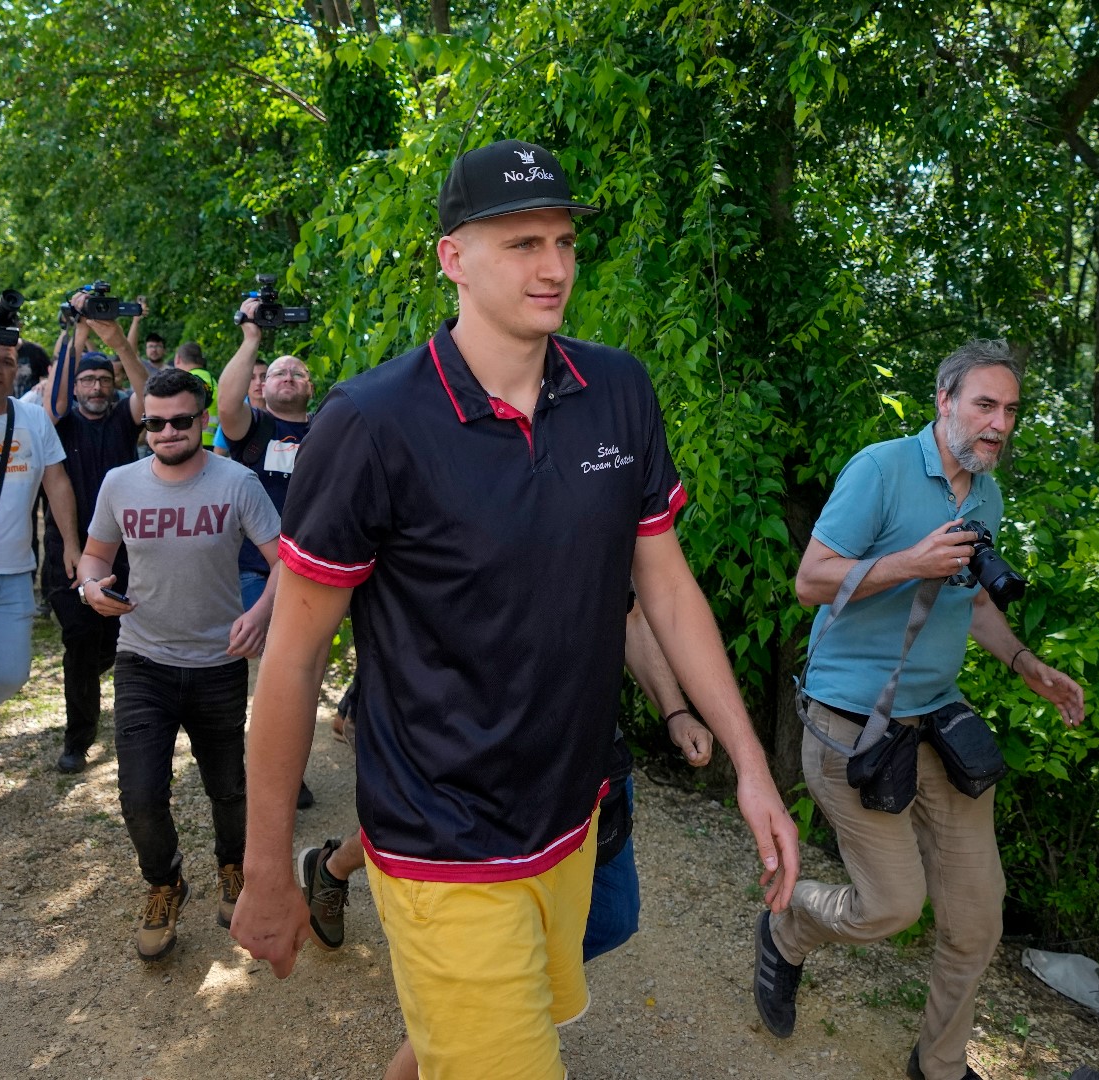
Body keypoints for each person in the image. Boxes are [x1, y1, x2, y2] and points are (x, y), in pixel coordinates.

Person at [229, 138, 801, 1080]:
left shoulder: (616, 389)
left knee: (472, 1042)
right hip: (439, 841)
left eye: (566, 241)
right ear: (453, 256)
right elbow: (291, 659)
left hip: (569, 818)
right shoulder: (371, 424)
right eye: (523, 243)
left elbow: (665, 584)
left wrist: (751, 766)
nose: (555, 267)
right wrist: (262, 870)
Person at [760, 340, 1087, 1080]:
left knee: (977, 916)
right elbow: (811, 581)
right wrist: (911, 561)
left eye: (1010, 409)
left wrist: (1027, 664)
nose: (999, 422)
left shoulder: (986, 495)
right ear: (944, 400)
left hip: (936, 721)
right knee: (891, 908)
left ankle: (939, 1066)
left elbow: (967, 605)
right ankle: (788, 926)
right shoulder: (881, 470)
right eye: (984, 404)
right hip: (850, 726)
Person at [298, 598, 717, 1077]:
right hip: (469, 761)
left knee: (612, 916)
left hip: (584, 762)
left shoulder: (604, 522)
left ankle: (475, 1000)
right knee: (478, 968)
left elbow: (632, 611)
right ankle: (473, 1007)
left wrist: (676, 711)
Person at [77, 367, 281, 960]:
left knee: (229, 787)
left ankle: (233, 868)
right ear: (144, 425)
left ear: (204, 420)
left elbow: (285, 561)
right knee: (140, 795)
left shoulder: (238, 482)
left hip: (218, 661)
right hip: (143, 658)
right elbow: (94, 557)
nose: (167, 432)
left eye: (181, 421)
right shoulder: (119, 483)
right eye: (155, 423)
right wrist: (92, 588)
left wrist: (263, 613)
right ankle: (164, 884)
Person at [0, 325, 80, 825]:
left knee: (11, 674)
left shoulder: (32, 418)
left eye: (8, 360)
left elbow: (58, 481)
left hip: (14, 572)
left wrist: (71, 544)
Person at [41, 298, 154, 773]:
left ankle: (131, 724)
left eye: (103, 380)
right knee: (81, 644)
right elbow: (56, 397)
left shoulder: (122, 421)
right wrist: (75, 331)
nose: (96, 386)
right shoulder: (58, 422)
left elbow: (148, 395)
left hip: (126, 555)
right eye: (88, 379)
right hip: (67, 554)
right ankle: (78, 738)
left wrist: (118, 344)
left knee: (114, 646)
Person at [215, 344, 311, 612]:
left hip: (310, 567)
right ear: (262, 387)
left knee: (308, 653)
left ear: (311, 389)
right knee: (263, 651)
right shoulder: (254, 427)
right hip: (253, 567)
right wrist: (251, 337)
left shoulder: (325, 430)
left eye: (298, 374)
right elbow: (226, 405)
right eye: (279, 372)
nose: (289, 377)